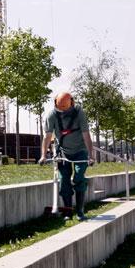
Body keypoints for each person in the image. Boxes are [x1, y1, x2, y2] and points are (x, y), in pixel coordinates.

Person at [39, 90, 95, 220]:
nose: (63, 112)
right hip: (62, 152)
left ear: (72, 102)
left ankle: (80, 211)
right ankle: (68, 212)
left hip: (80, 151)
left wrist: (90, 155)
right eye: (60, 109)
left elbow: (86, 134)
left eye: (65, 109)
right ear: (55, 104)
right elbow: (47, 137)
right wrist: (43, 155)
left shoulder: (79, 112)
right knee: (64, 180)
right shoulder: (52, 115)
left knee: (79, 177)